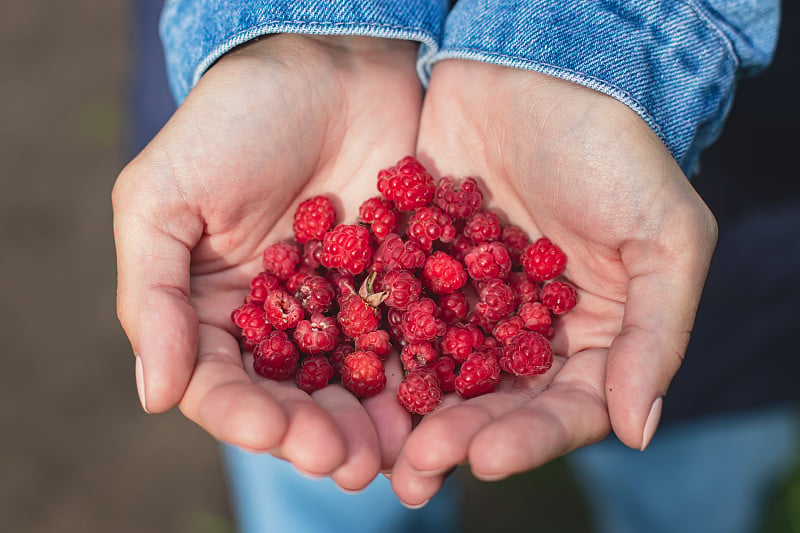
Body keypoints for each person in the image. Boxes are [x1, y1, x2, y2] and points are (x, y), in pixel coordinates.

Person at [113, 0, 783, 529]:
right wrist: (303, 26)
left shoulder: (460, 275)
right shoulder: (343, 276)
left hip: (743, 227)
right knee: (313, 472)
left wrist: (607, 35)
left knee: (690, 472)